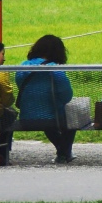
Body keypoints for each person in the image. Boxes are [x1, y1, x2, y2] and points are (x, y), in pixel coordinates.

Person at [16, 34, 77, 164]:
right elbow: (67, 96)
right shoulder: (55, 69)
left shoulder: (22, 66)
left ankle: (63, 152)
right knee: (73, 118)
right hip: (52, 118)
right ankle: (63, 152)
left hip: (26, 117)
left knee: (44, 118)